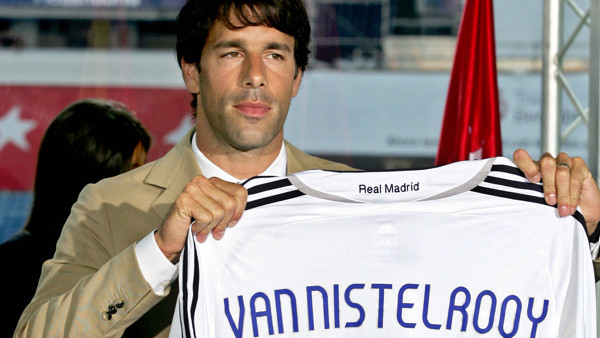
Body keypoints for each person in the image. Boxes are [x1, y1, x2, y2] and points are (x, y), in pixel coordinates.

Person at [14, 0, 600, 337]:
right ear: (191, 72)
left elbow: (462, 302)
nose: (254, 75)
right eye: (230, 52)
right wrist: (160, 250)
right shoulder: (109, 205)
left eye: (275, 54)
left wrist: (570, 232)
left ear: (296, 79)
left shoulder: (350, 196)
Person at [0, 98, 151, 337]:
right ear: (91, 179)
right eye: (133, 170)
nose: (144, 184)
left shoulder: (141, 260)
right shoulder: (13, 270)